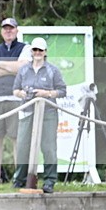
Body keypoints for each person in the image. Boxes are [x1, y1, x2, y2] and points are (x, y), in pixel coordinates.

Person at [11, 37, 67, 193]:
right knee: (22, 146)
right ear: (31, 52)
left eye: (40, 50)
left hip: (48, 112)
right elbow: (15, 90)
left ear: (45, 52)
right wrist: (22, 94)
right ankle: (20, 179)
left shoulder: (53, 70)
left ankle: (49, 180)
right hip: (27, 111)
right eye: (35, 50)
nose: (37, 53)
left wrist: (46, 93)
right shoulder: (23, 70)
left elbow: (62, 91)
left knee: (48, 147)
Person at [0, 17, 32, 184]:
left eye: (11, 28)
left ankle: (19, 176)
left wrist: (1, 64)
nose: (8, 31)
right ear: (1, 31)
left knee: (17, 138)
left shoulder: (25, 48)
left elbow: (23, 68)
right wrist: (10, 68)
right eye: (5, 29)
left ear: (17, 30)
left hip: (16, 98)